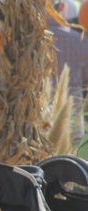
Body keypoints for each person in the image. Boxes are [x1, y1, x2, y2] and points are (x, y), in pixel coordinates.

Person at [48, 7, 88, 141]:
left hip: (41, 119)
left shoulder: (30, 41)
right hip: (74, 119)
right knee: (73, 160)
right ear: (62, 8)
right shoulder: (81, 40)